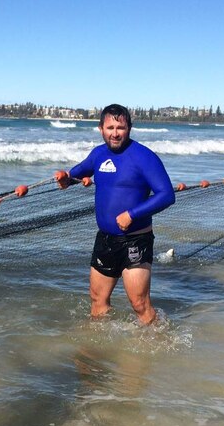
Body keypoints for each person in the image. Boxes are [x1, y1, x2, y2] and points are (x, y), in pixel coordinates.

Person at [56, 104, 175, 324]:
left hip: (135, 240)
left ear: (129, 128)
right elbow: (76, 173)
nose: (115, 132)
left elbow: (167, 195)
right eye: (110, 127)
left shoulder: (144, 157)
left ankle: (157, 347)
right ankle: (99, 349)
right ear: (101, 128)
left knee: (140, 305)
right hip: (106, 240)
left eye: (120, 127)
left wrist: (132, 214)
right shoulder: (98, 154)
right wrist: (66, 178)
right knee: (97, 299)